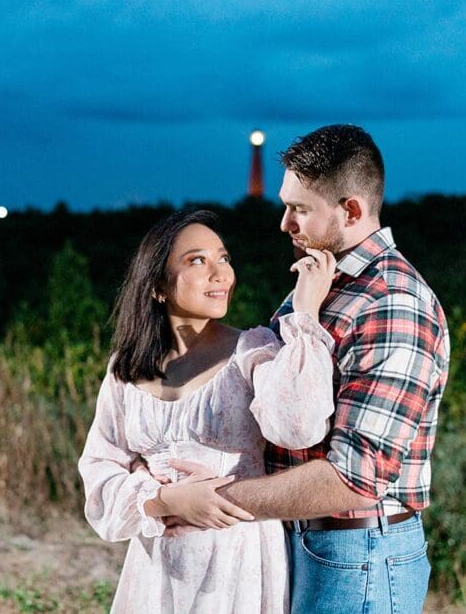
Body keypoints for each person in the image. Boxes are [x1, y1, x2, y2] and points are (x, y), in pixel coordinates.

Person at [159, 125, 451, 614]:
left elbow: (353, 480)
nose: (284, 223)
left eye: (300, 209)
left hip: (356, 554)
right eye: (284, 205)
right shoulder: (322, 284)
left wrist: (216, 500)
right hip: (309, 541)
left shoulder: (392, 303)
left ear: (351, 210)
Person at [78, 208, 339, 613]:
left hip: (237, 562)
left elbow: (299, 427)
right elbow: (99, 470)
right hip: (156, 566)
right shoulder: (125, 369)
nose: (221, 273)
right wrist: (166, 500)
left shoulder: (252, 350)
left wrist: (304, 314)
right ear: (158, 286)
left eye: (224, 258)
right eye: (197, 260)